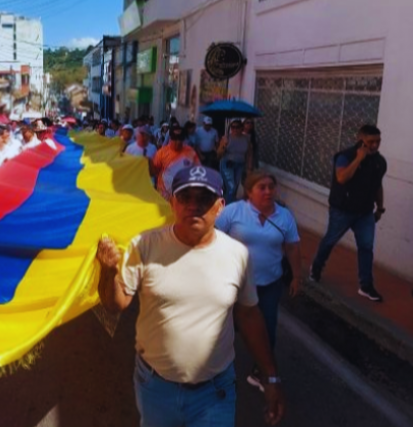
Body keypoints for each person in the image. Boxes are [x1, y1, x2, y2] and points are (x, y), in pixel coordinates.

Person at [96, 165, 284, 427]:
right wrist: (107, 273)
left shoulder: (237, 255)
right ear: (173, 202)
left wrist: (271, 377)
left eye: (204, 199)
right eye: (185, 197)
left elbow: (249, 315)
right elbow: (116, 304)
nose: (193, 206)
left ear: (220, 206)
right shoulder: (145, 245)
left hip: (215, 393)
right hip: (155, 389)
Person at [216, 170, 302, 391]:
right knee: (224, 326)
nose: (267, 191)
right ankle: (213, 365)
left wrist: (296, 276)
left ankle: (260, 371)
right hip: (234, 284)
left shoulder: (284, 216)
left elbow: (292, 247)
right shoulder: (234, 211)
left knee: (268, 328)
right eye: (261, 187)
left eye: (271, 187)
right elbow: (213, 237)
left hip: (269, 284)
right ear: (249, 191)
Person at [310, 124, 387, 302]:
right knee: (330, 241)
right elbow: (342, 177)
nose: (375, 145)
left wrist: (380, 208)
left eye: (378, 141)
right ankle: (316, 267)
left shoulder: (379, 162)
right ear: (360, 140)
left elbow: (378, 185)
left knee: (366, 247)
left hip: (365, 213)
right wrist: (359, 159)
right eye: (370, 142)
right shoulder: (345, 157)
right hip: (342, 211)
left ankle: (366, 285)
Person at [152, 126, 201, 201]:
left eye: (180, 139)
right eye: (175, 139)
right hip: (164, 195)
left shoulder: (190, 152)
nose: (178, 142)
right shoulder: (161, 153)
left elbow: (198, 170)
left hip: (183, 194)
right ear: (170, 138)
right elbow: (154, 171)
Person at [217, 120, 252, 204]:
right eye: (233, 127)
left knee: (235, 187)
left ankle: (228, 203)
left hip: (240, 164)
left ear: (241, 128)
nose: (235, 129)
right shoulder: (226, 138)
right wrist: (223, 146)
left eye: (237, 127)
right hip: (228, 164)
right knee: (231, 187)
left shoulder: (246, 139)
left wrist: (249, 167)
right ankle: (227, 207)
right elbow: (218, 154)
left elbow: (249, 154)